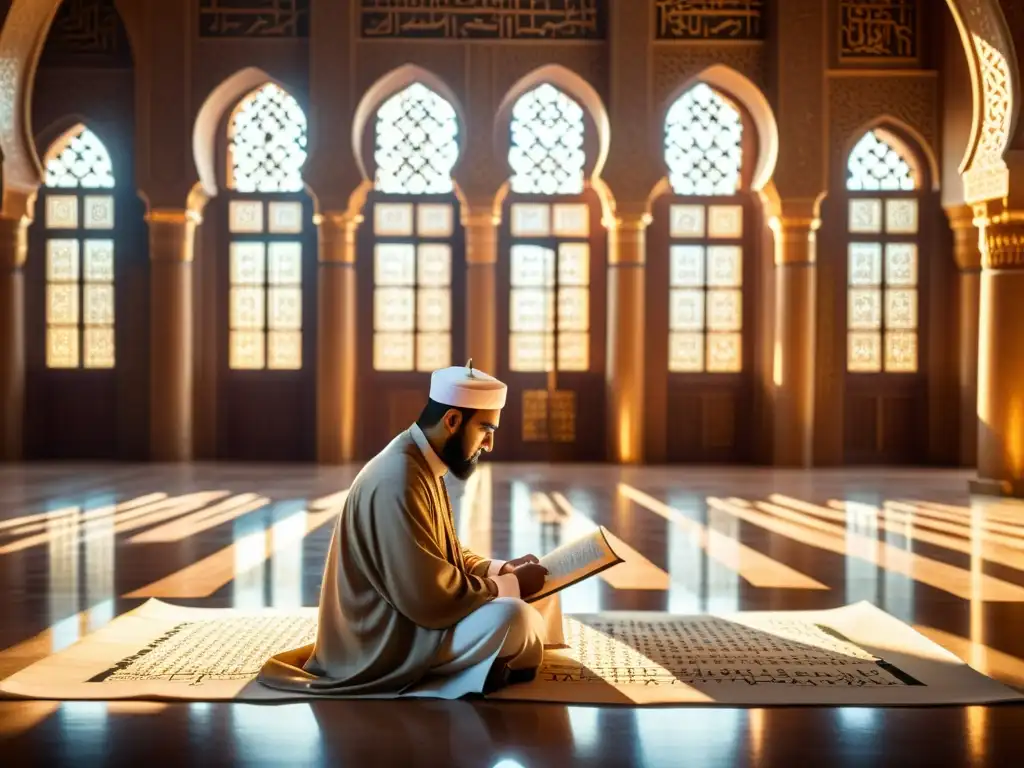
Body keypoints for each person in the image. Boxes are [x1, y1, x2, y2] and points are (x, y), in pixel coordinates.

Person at [258, 362, 564, 698]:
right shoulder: (399, 477)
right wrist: (510, 585)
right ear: (452, 421)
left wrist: (501, 570)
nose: (489, 445)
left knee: (541, 590)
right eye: (485, 430)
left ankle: (498, 659)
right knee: (515, 615)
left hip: (416, 615)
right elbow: (427, 598)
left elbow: (442, 553)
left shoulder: (421, 463)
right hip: (388, 637)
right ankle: (492, 662)